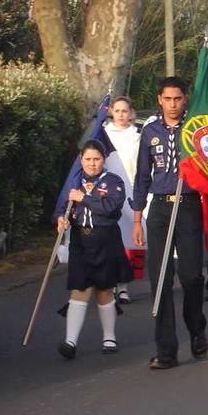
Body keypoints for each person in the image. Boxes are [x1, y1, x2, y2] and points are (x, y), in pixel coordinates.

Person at [132, 76, 208, 370]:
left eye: (178, 98)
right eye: (168, 99)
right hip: (160, 210)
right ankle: (166, 350)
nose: (173, 104)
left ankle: (197, 327)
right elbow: (142, 176)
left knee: (191, 278)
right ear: (159, 100)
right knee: (161, 279)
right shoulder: (150, 132)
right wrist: (138, 218)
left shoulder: (197, 130)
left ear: (185, 99)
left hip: (189, 206)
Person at [56, 140, 132, 358]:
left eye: (96, 159)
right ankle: (70, 342)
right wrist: (62, 218)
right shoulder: (74, 182)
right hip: (81, 240)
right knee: (79, 287)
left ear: (103, 160)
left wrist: (84, 198)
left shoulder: (113, 181)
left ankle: (109, 337)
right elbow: (65, 208)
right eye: (88, 159)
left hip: (105, 239)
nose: (92, 164)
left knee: (104, 289)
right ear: (81, 160)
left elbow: (109, 207)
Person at [104, 95, 143, 303]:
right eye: (117, 111)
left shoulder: (137, 135)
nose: (121, 115)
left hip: (130, 193)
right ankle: (109, 285)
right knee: (109, 242)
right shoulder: (104, 134)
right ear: (111, 111)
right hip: (107, 194)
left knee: (127, 241)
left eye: (124, 111)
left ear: (130, 113)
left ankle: (123, 286)